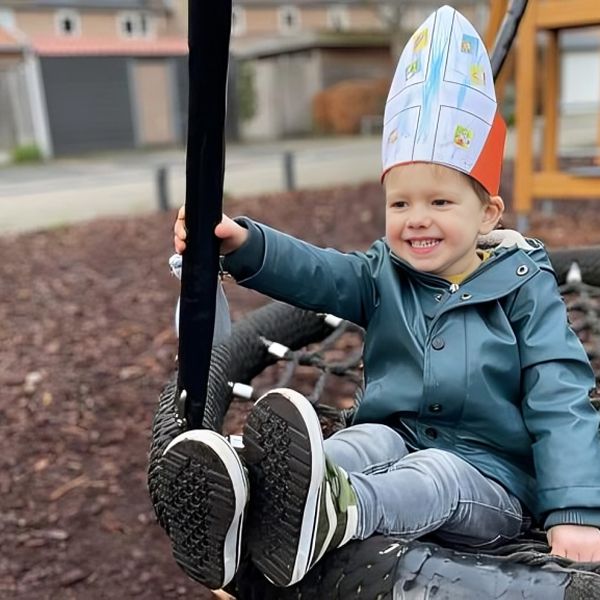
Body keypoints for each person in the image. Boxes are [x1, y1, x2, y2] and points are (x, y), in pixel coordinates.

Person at [162, 5, 600, 592]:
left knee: (435, 472)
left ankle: (332, 514)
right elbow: (319, 273)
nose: (417, 220)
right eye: (401, 204)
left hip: (491, 485)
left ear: (487, 213)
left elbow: (561, 394)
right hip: (399, 445)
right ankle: (250, 502)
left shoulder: (525, 288)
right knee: (365, 439)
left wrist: (575, 512)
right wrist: (244, 243)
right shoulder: (382, 272)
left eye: (440, 203)